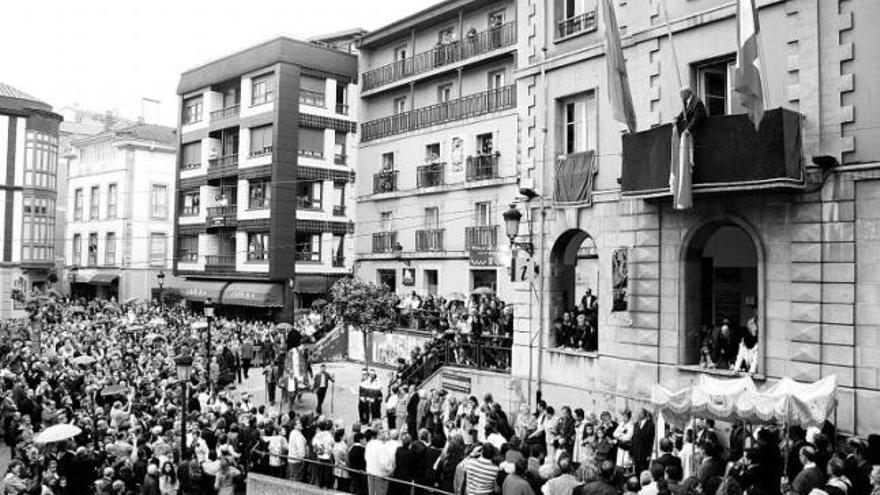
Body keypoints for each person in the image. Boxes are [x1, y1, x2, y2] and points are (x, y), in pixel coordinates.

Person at [632, 408, 655, 475]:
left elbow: (651, 440)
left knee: (643, 472)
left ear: (643, 414)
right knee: (636, 472)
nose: (638, 415)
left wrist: (649, 454)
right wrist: (632, 452)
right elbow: (633, 439)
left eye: (639, 413)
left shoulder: (650, 425)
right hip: (636, 453)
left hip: (645, 453)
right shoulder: (636, 424)